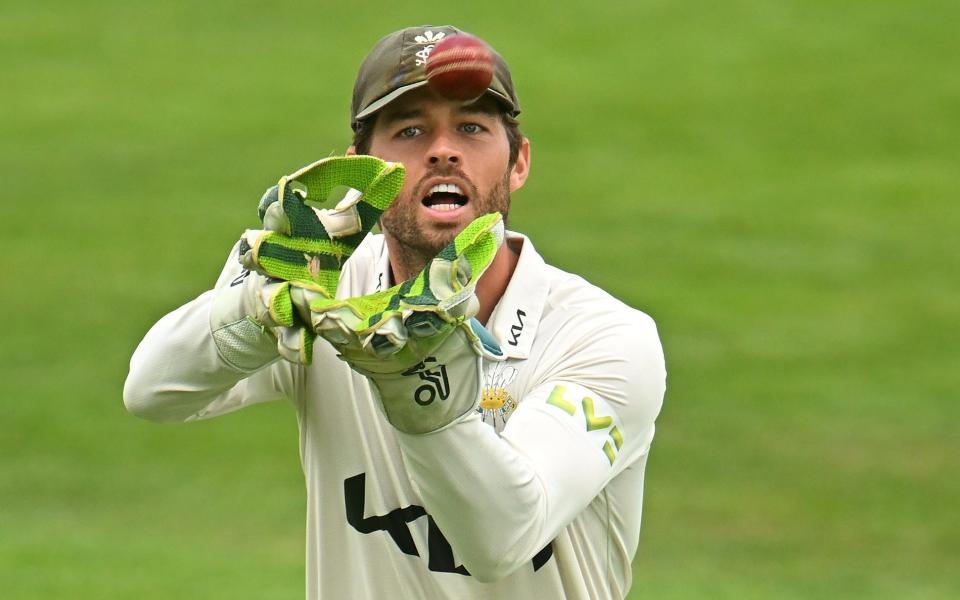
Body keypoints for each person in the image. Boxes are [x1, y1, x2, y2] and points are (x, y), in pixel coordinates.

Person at [124, 24, 666, 600]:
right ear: (361, 169)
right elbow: (152, 392)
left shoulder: (605, 339)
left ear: (519, 163)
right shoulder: (325, 293)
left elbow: (501, 539)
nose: (442, 149)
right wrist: (256, 308)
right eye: (410, 130)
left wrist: (415, 384)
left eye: (472, 128)